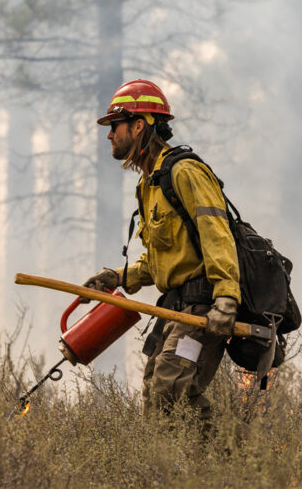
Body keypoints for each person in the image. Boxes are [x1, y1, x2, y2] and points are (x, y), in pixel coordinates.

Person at [82, 78, 240, 425]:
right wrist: (117, 277)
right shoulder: (149, 183)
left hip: (202, 310)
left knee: (171, 392)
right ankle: (198, 472)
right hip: (175, 310)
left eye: (115, 126)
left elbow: (218, 235)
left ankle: (255, 462)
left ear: (139, 126)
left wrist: (226, 300)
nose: (109, 134)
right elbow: (162, 260)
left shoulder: (184, 172)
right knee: (156, 399)